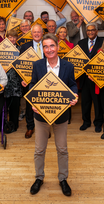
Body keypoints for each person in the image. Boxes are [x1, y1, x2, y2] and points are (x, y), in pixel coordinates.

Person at [29, 33, 78, 196]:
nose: (49, 49)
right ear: (42, 49)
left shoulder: (68, 66)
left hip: (61, 114)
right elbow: (33, 85)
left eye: (52, 46)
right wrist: (33, 102)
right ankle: (39, 177)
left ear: (57, 47)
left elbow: (72, 85)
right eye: (45, 46)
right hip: (41, 115)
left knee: (62, 148)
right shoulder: (37, 65)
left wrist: (75, 95)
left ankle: (63, 178)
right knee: (39, 149)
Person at [77, 22, 104, 132]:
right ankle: (86, 121)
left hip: (97, 78)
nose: (90, 32)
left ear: (96, 31)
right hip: (84, 78)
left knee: (98, 102)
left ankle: (98, 122)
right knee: (85, 102)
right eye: (88, 30)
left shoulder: (102, 42)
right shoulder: (81, 43)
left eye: (92, 30)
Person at [20, 24, 44, 138]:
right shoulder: (25, 47)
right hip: (29, 80)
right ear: (31, 34)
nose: (36, 34)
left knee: (44, 104)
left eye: (38, 32)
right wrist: (21, 79)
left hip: (45, 80)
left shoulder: (47, 45)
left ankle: (45, 128)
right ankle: (30, 127)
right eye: (34, 32)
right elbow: (20, 65)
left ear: (42, 33)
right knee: (30, 105)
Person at [3, 29, 23, 132]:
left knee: (15, 106)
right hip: (4, 82)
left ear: (17, 38)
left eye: (14, 37)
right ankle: (3, 125)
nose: (12, 39)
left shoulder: (20, 50)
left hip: (16, 82)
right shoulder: (1, 50)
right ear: (6, 38)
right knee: (4, 106)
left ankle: (14, 125)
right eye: (10, 37)